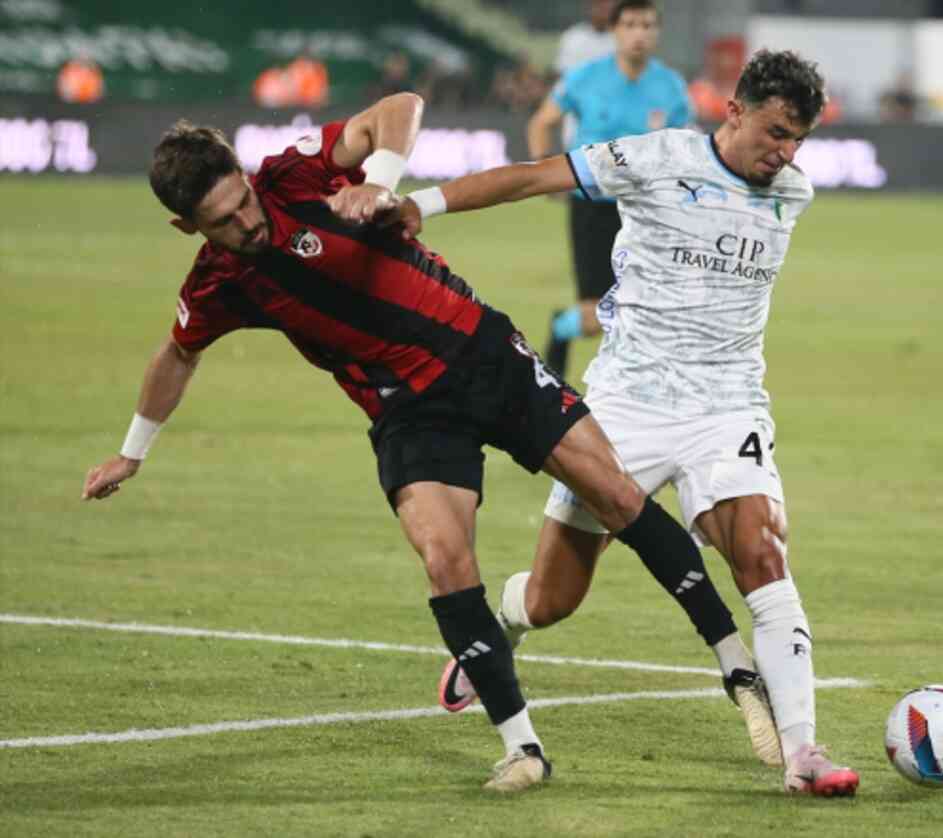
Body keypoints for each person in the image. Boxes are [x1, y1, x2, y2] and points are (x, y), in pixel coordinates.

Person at [79, 92, 751, 793]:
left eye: (242, 200)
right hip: (408, 410)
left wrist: (379, 179)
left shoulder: (296, 175)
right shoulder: (219, 283)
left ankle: (736, 663)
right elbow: (178, 353)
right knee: (444, 558)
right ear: (185, 226)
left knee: (616, 493)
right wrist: (132, 451)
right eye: (222, 220)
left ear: (247, 177)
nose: (247, 221)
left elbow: (398, 106)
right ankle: (522, 748)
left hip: (481, 352)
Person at [397, 49, 860, 797]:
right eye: (775, 132)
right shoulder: (655, 159)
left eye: (799, 139)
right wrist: (424, 204)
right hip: (626, 407)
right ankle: (506, 627)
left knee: (763, 553)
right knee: (553, 599)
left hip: (726, 406)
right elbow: (533, 176)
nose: (785, 153)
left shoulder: (792, 193)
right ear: (734, 111)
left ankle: (803, 752)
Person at [526, 0, 691, 378]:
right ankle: (562, 326)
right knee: (594, 317)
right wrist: (543, 170)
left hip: (647, 211)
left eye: (647, 25)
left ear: (657, 32)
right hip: (593, 207)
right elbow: (542, 121)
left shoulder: (671, 88)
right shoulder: (584, 78)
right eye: (630, 24)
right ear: (615, 31)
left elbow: (684, 146)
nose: (639, 33)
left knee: (650, 308)